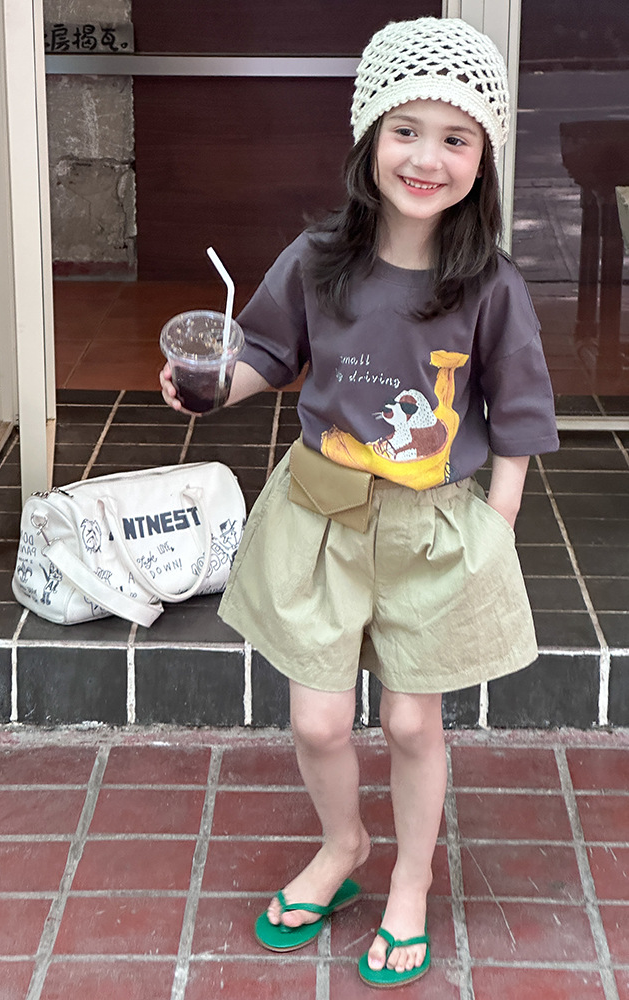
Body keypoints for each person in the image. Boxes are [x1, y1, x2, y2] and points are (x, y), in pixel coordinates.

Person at [160, 16, 559, 989]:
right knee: (320, 723)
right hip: (320, 517)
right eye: (405, 130)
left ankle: (412, 880)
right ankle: (345, 847)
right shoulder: (317, 257)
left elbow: (518, 416)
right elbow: (267, 352)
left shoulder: (491, 286)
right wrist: (211, 386)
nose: (426, 158)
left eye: (455, 137)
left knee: (415, 725)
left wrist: (495, 529)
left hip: (431, 529)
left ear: (483, 158)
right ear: (369, 137)